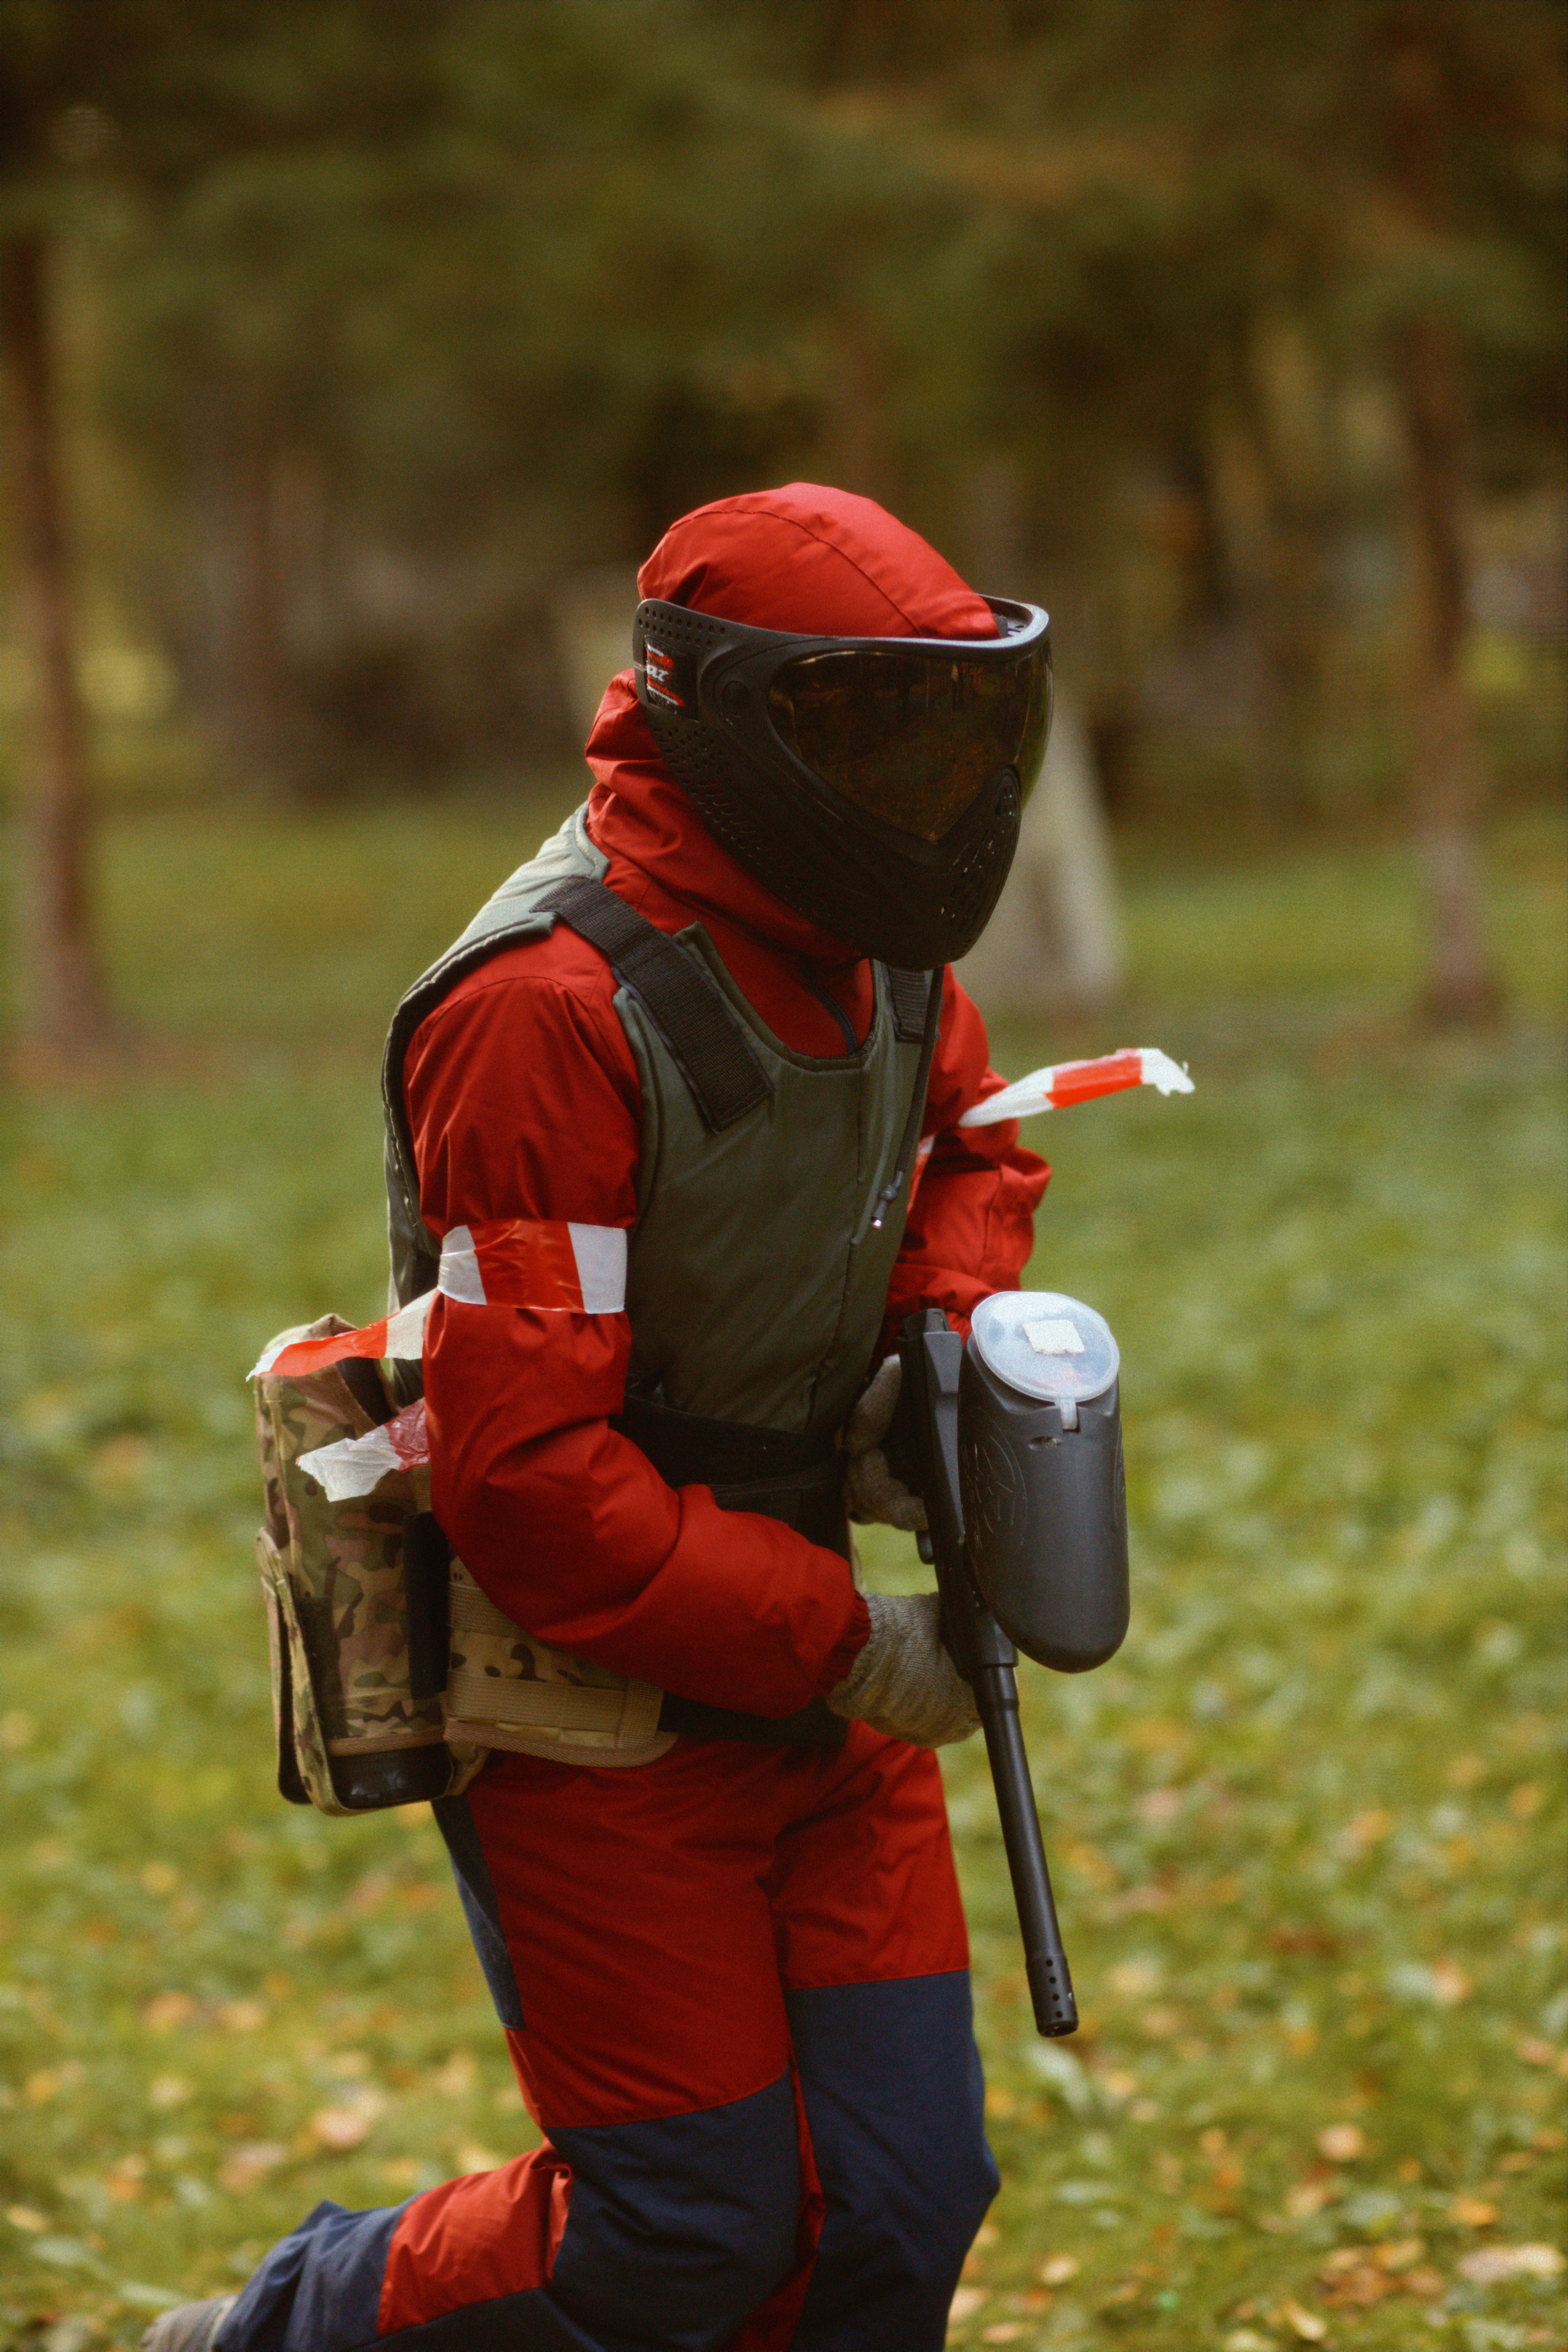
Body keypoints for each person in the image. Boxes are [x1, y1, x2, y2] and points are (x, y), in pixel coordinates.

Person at [149, 483, 1052, 2352]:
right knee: (686, 2234)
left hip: (802, 1650)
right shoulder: (549, 1010)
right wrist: (856, 1646)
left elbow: (966, 1136)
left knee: (900, 2202)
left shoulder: (874, 937)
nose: (922, 790)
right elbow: (531, 1480)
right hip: (582, 1708)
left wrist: (934, 1356)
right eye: (873, 734)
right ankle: (271, 2337)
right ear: (722, 717)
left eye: (948, 735)